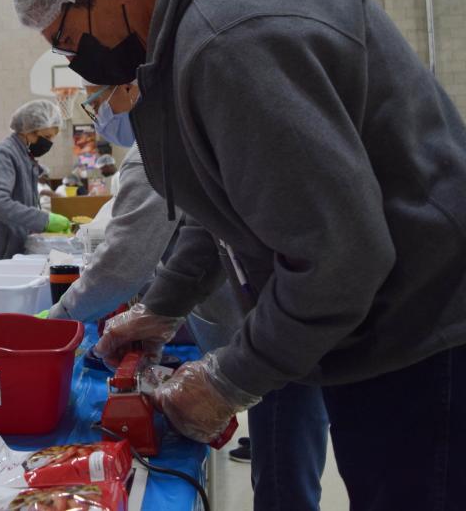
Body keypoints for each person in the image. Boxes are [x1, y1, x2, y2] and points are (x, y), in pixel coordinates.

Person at [12, 0, 466, 508]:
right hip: (386, 325)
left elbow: (339, 258)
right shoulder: (204, 30)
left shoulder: (230, 39)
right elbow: (229, 209)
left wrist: (231, 379)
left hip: (420, 333)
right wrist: (163, 306)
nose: (77, 61)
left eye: (69, 41)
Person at [50, 83, 329, 510]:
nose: (98, 113)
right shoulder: (188, 142)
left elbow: (124, 264)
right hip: (271, 328)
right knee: (282, 457)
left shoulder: (161, 150)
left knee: (291, 465)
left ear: (130, 85)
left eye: (97, 101)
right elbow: (207, 233)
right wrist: (161, 309)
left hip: (292, 332)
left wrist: (228, 377)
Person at [0, 99, 70, 264]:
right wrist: (43, 220)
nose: (49, 143)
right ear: (29, 131)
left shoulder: (25, 158)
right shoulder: (4, 154)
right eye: (46, 137)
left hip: (6, 253)